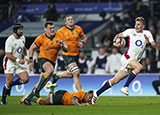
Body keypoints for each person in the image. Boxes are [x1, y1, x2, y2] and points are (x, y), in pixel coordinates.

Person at [91, 16, 157, 104]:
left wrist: (149, 43)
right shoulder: (130, 31)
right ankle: (125, 86)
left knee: (115, 80)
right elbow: (118, 35)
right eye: (136, 24)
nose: (136, 26)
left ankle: (97, 93)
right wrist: (115, 43)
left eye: (139, 25)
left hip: (133, 61)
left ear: (143, 26)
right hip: (127, 57)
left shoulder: (147, 33)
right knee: (139, 67)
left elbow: (154, 46)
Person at [24, 21, 68, 105]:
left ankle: (28, 99)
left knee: (43, 83)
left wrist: (64, 45)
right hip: (42, 59)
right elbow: (31, 48)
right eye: (50, 28)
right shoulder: (41, 38)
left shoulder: (59, 36)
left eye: (53, 28)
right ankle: (36, 90)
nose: (52, 30)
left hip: (53, 61)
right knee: (50, 70)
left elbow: (66, 49)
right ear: (45, 29)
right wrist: (30, 59)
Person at [53, 15, 87, 90]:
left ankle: (57, 76)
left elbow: (84, 38)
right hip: (67, 54)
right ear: (65, 22)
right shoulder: (61, 31)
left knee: (71, 74)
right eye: (68, 19)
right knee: (76, 72)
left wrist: (82, 43)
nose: (71, 20)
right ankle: (80, 93)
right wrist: (61, 43)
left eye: (71, 19)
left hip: (76, 54)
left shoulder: (78, 28)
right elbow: (56, 40)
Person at [0, 23, 29, 105]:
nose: (21, 31)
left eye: (22, 29)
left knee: (25, 79)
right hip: (9, 62)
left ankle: (11, 85)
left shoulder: (23, 38)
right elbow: (8, 54)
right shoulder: (10, 40)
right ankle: (3, 101)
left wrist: (26, 56)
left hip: (18, 62)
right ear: (15, 31)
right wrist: (18, 60)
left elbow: (23, 47)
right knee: (8, 82)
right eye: (20, 30)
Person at [20, 83, 93, 106]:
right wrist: (82, 105)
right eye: (90, 97)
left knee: (50, 103)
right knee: (44, 102)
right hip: (61, 96)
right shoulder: (80, 93)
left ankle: (52, 88)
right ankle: (28, 97)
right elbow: (74, 101)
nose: (90, 99)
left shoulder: (85, 98)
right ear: (88, 93)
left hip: (62, 99)